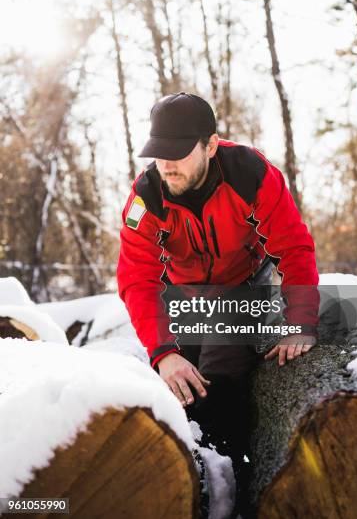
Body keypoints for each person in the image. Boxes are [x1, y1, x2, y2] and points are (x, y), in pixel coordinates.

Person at [117, 92, 319, 517]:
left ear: (210, 146)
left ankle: (229, 482)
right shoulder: (146, 196)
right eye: (158, 155)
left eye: (177, 154)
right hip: (184, 293)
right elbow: (137, 277)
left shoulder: (251, 173)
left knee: (220, 370)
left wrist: (300, 320)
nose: (166, 165)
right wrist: (164, 353)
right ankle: (187, 478)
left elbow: (295, 247)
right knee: (181, 382)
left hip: (244, 285)